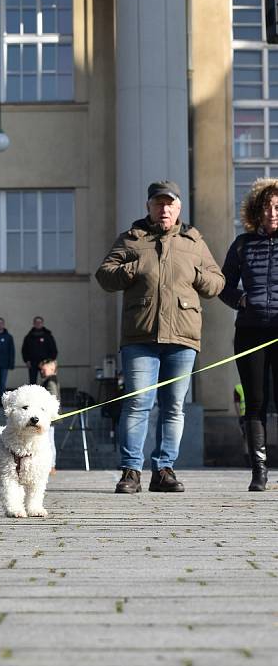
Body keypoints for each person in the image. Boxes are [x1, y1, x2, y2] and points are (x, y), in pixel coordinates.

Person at [96, 180, 224, 494]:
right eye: (158, 203)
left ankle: (164, 469)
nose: (164, 209)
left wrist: (196, 274)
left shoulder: (193, 240)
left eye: (170, 204)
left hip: (182, 337)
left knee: (173, 406)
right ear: (149, 207)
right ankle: (131, 470)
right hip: (140, 335)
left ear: (178, 208)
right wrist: (133, 268)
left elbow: (217, 282)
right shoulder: (131, 238)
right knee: (138, 402)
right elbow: (104, 275)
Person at [219, 177, 278, 491]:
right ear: (256, 210)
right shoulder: (242, 244)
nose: (272, 213)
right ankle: (259, 472)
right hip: (250, 332)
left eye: (277, 207)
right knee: (254, 402)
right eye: (266, 207)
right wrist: (240, 299)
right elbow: (222, 286)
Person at [21, 316, 58, 384]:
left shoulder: (48, 336)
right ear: (34, 324)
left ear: (42, 323)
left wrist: (51, 360)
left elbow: (53, 349)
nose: (38, 324)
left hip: (46, 362)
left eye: (40, 322)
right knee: (32, 383)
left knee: (47, 382)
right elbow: (24, 350)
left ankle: (45, 394)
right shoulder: (29, 337)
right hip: (33, 362)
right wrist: (27, 360)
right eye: (36, 322)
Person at [39, 358, 60, 473]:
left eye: (44, 369)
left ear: (52, 369)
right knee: (48, 441)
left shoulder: (51, 382)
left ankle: (51, 465)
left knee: (49, 441)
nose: (41, 371)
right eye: (41, 370)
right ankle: (50, 465)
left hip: (49, 417)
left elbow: (52, 398)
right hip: (48, 417)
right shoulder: (50, 380)